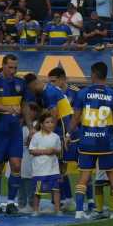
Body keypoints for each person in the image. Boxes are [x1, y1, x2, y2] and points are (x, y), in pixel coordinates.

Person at [71, 62, 113, 220]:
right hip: (106, 142)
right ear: (105, 75)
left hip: (87, 141)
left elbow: (76, 118)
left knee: (84, 176)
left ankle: (78, 212)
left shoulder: (83, 93)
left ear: (93, 74)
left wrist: (68, 134)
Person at [26, 68, 77, 212]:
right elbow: (46, 114)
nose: (30, 91)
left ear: (35, 84)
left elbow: (53, 114)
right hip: (62, 129)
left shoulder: (48, 92)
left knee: (62, 168)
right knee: (60, 167)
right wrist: (36, 129)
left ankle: (71, 201)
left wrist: (46, 135)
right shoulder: (44, 92)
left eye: (30, 88)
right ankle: (64, 200)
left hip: (64, 129)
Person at [0, 54, 26, 215]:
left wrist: (28, 123)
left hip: (15, 131)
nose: (13, 70)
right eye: (10, 67)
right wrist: (10, 109)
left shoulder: (20, 82)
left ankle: (11, 202)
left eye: (15, 67)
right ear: (3, 66)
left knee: (16, 165)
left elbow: (26, 104)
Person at [28, 114, 64, 215]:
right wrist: (46, 152)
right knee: (38, 191)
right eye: (47, 122)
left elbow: (59, 151)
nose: (50, 124)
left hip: (53, 168)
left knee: (56, 190)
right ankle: (36, 210)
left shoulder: (56, 137)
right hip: (40, 169)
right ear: (42, 124)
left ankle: (57, 210)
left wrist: (54, 151)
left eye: (52, 122)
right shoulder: (36, 136)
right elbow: (31, 150)